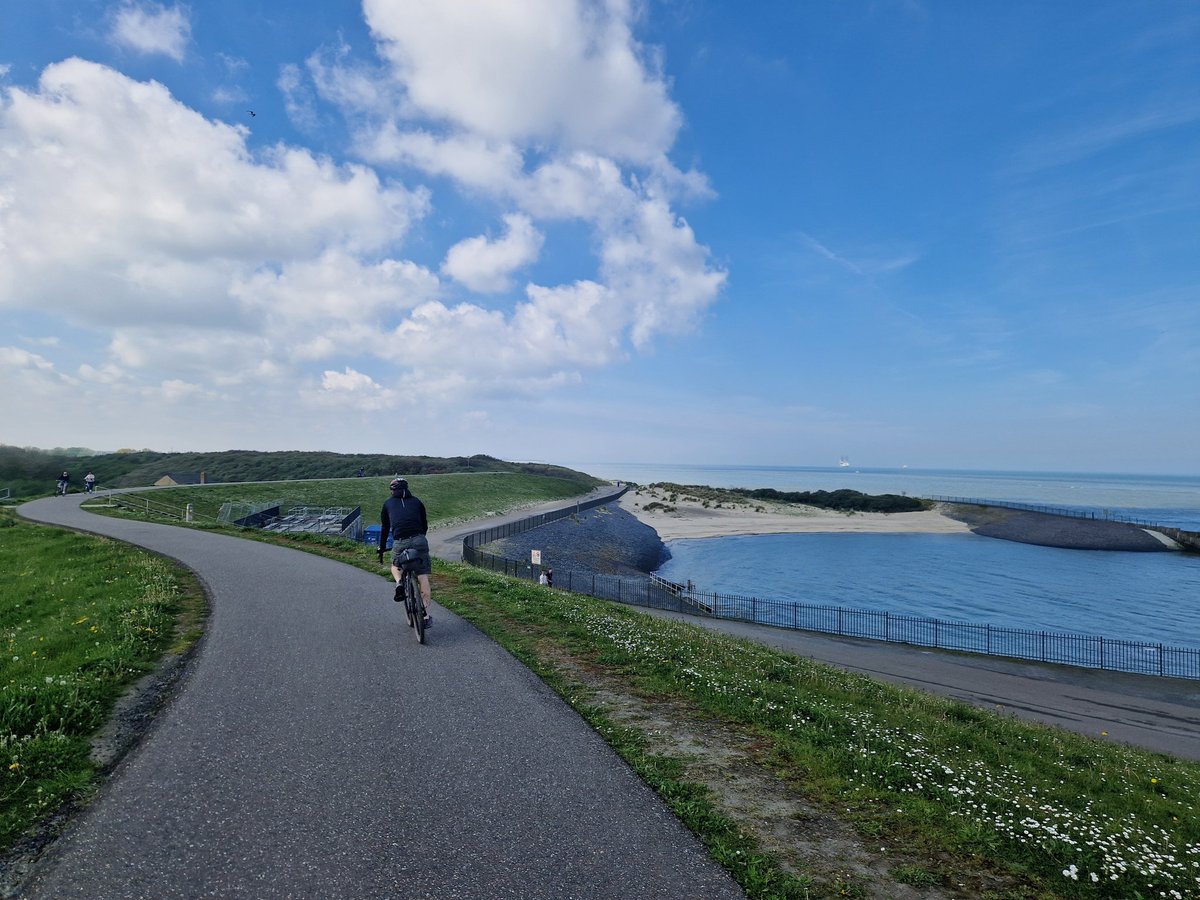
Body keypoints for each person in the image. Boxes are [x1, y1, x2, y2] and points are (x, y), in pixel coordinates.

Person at [377, 477, 433, 627]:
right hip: (419, 539)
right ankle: (426, 616)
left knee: (395, 565)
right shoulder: (417, 501)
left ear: (392, 490)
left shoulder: (388, 504)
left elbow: (385, 528)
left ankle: (399, 582)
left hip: (400, 541)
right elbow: (424, 522)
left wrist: (382, 548)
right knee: (422, 575)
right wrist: (420, 538)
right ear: (407, 488)